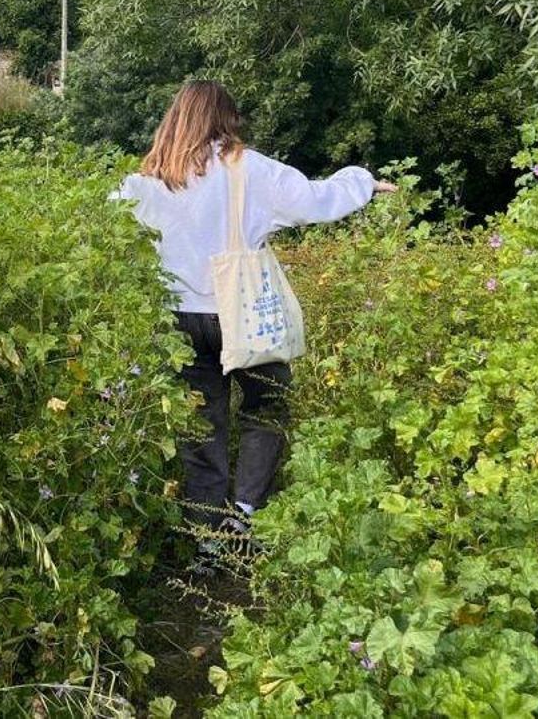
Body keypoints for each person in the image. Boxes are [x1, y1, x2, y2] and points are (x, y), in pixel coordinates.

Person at [116, 81, 396, 535]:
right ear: (227, 119)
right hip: (242, 312)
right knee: (267, 404)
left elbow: (105, 223)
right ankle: (243, 514)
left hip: (180, 319)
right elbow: (314, 199)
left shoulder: (149, 180)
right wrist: (361, 181)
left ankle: (205, 534)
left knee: (202, 425)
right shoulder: (249, 168)